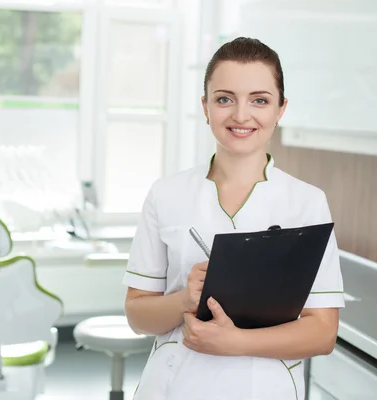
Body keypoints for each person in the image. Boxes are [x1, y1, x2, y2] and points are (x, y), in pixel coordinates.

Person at [122, 37, 344, 400]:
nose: (241, 115)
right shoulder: (166, 194)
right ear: (205, 107)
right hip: (175, 387)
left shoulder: (306, 202)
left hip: (264, 389)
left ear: (280, 109)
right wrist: (183, 299)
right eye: (224, 99)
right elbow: (137, 316)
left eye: (259, 100)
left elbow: (322, 333)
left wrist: (236, 341)